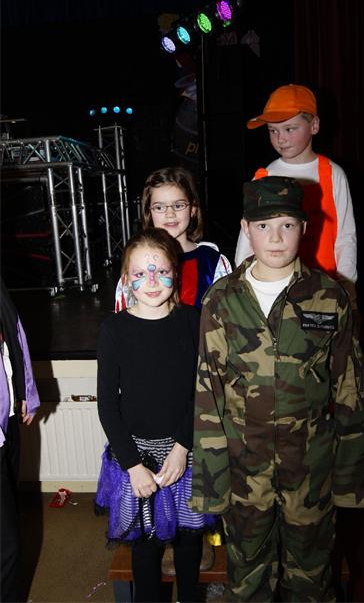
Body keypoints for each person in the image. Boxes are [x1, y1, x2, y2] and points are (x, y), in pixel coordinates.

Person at [190, 176, 364, 602]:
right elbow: (207, 394)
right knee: (247, 577)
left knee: (311, 579)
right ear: (245, 229)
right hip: (244, 470)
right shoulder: (221, 300)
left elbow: (350, 389)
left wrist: (352, 480)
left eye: (287, 225)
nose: (275, 238)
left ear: (304, 228)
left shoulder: (330, 297)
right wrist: (211, 485)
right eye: (263, 226)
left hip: (311, 470)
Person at [95, 229, 215, 603]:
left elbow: (202, 391)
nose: (151, 282)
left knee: (188, 541)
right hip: (137, 459)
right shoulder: (114, 329)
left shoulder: (192, 321)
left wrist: (182, 448)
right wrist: (133, 466)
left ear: (175, 274)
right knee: (145, 545)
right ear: (126, 278)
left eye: (161, 272)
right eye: (140, 273)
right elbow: (107, 404)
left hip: (185, 451)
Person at [235, 84, 358, 307]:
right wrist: (242, 282)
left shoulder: (333, 174)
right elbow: (248, 239)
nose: (280, 138)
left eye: (289, 129)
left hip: (323, 290)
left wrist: (346, 284)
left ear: (314, 125)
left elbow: (345, 236)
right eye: (273, 130)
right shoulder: (264, 177)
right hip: (275, 290)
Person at [115, 166, 231, 313]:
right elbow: (125, 318)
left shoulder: (212, 262)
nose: (170, 214)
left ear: (193, 209)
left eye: (178, 205)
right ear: (149, 213)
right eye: (159, 207)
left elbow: (226, 316)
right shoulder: (137, 264)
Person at [0, 278, 40, 603]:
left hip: (7, 416)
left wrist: (23, 390)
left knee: (12, 516)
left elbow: (12, 325)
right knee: (7, 546)